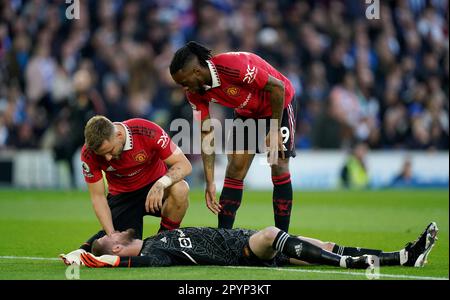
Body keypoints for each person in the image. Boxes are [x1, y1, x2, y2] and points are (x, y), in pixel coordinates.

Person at [170, 41, 297, 232]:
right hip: (247, 114)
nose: (184, 88)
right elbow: (206, 133)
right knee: (235, 168)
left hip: (277, 107)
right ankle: (224, 237)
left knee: (278, 166)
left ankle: (282, 238)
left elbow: (277, 87)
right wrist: (210, 181)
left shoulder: (233, 67)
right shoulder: (195, 94)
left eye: (184, 82)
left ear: (196, 71)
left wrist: (273, 129)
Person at [60, 115, 192, 265]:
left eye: (109, 151)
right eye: (102, 154)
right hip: (123, 197)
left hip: (155, 187)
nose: (108, 158)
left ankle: (163, 240)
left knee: (181, 188)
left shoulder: (146, 131)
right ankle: (81, 252)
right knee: (122, 243)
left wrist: (161, 184)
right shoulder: (88, 153)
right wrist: (111, 234)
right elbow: (98, 197)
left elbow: (184, 164)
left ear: (119, 135)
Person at [78, 222, 438, 270]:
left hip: (242, 238)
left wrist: (94, 246)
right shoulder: (153, 254)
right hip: (243, 249)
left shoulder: (158, 236)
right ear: (116, 249)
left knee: (325, 244)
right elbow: (144, 266)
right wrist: (95, 256)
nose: (112, 231)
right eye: (107, 237)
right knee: (271, 234)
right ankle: (350, 266)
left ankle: (404, 257)